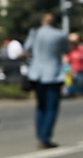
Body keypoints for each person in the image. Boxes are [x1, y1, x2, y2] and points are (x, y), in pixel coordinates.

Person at [24, 12, 67, 149]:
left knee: (40, 106)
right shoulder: (59, 35)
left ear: (42, 22)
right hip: (53, 74)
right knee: (51, 107)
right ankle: (45, 137)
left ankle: (39, 136)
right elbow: (65, 49)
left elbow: (26, 48)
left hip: (37, 74)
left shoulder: (35, 33)